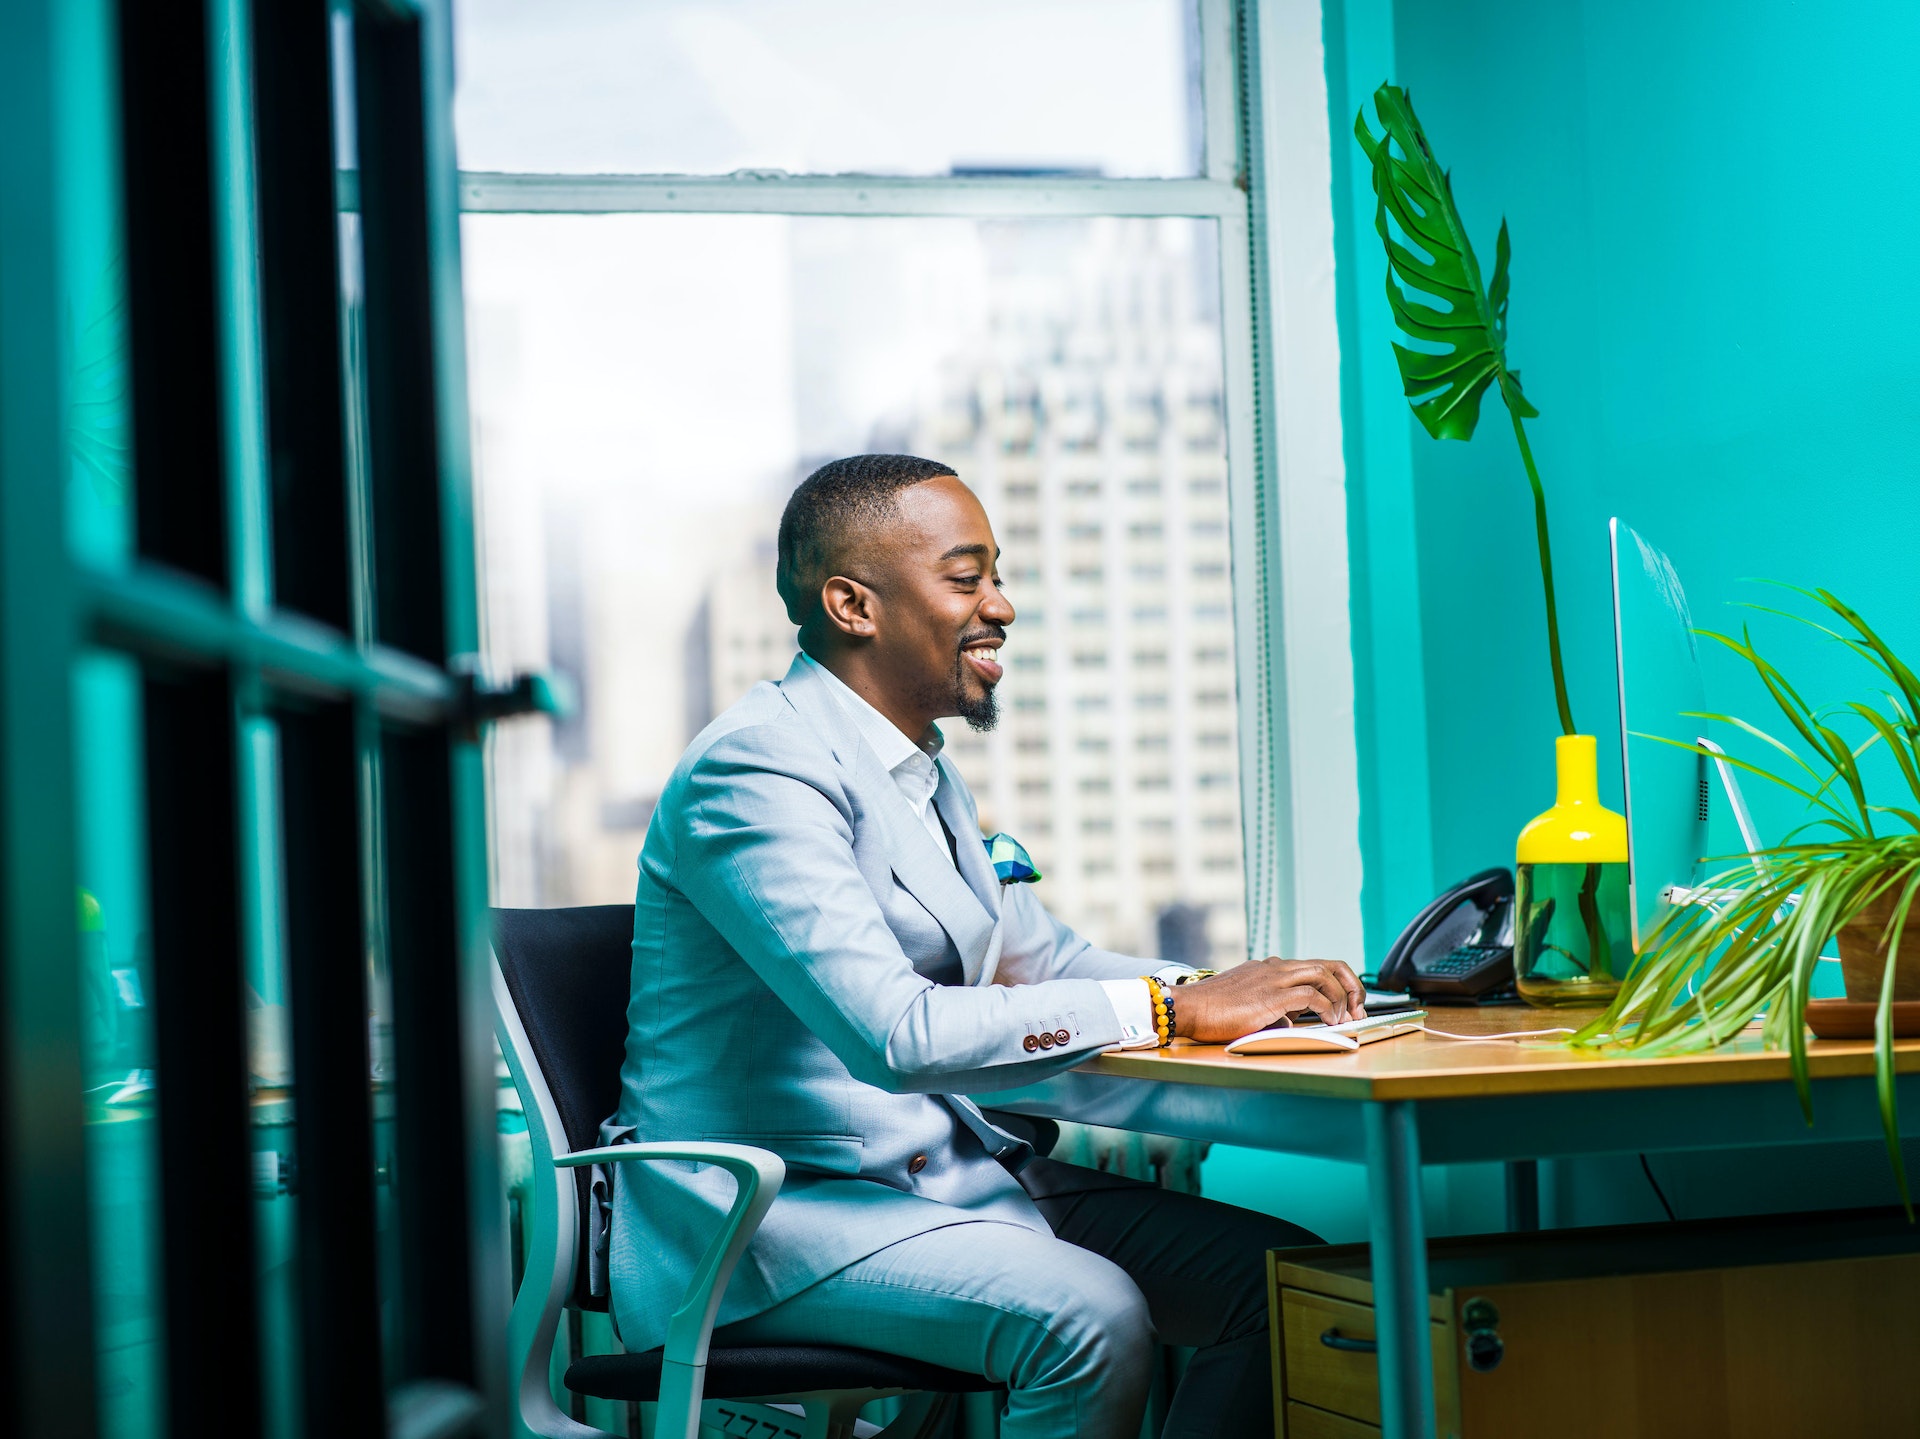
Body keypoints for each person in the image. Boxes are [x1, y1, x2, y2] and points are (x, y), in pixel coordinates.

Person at [607, 454, 1367, 1437]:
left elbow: (1038, 962)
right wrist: (1174, 1011)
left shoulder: (916, 767)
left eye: (996, 576)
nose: (1001, 605)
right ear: (853, 603)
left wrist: (1225, 989)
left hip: (943, 1180)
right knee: (1087, 1318)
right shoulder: (756, 769)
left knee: (1277, 1285)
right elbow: (897, 1033)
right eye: (968, 577)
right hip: (777, 1225)